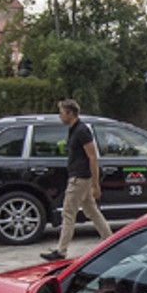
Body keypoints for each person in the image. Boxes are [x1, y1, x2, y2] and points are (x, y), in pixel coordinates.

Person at [43, 99, 112, 261]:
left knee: (68, 212)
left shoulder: (81, 131)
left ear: (70, 113)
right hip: (80, 177)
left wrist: (95, 184)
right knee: (92, 211)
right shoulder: (74, 130)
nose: (60, 116)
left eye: (62, 113)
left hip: (79, 178)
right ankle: (109, 240)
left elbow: (92, 157)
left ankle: (61, 251)